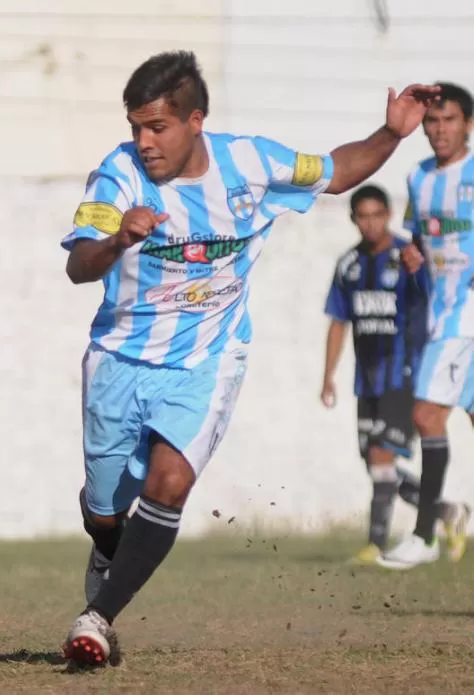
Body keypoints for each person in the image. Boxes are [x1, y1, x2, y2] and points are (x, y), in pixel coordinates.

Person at [59, 49, 438, 667]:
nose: (143, 142)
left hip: (209, 357)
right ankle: (106, 544)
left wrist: (392, 133)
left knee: (171, 482)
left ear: (196, 120)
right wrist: (117, 238)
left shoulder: (252, 162)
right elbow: (79, 266)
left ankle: (98, 618)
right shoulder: (118, 177)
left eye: (157, 127)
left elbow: (338, 171)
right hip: (119, 362)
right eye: (135, 128)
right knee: (104, 511)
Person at [321, 184, 470, 565]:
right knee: (375, 463)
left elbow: (433, 300)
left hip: (404, 374)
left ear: (388, 214)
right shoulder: (348, 264)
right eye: (362, 216)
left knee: (381, 457)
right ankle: (444, 512)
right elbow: (339, 321)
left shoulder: (408, 257)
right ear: (353, 219)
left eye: (376, 215)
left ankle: (376, 543)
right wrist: (328, 376)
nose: (370, 224)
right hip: (366, 378)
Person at [378, 82, 474, 570]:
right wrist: (413, 254)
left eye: (449, 120)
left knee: (426, 415)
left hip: (466, 316)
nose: (439, 129)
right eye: (432, 121)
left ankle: (425, 533)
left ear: (469, 125)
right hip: (442, 314)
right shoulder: (418, 178)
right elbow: (419, 237)